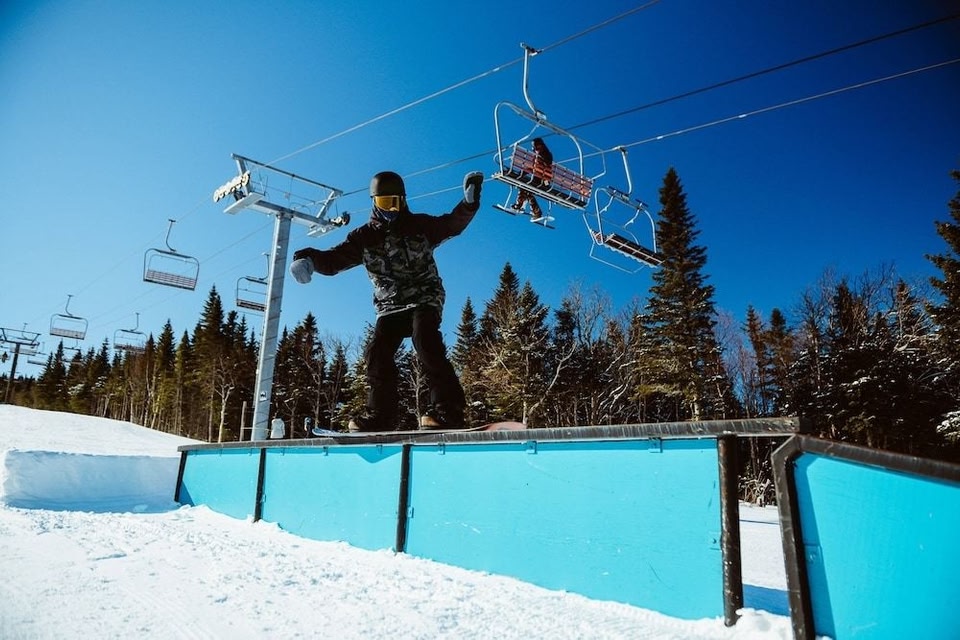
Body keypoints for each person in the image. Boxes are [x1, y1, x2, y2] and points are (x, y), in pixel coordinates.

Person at [289, 170, 484, 432]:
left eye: (395, 202)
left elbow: (451, 225)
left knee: (425, 340)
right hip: (390, 307)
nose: (391, 210)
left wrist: (468, 204)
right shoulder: (364, 237)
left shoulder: (420, 226)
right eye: (384, 203)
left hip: (424, 298)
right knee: (377, 352)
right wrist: (307, 260)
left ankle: (448, 410)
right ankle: (380, 415)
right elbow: (334, 260)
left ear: (403, 200)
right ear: (374, 202)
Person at [511, 137, 552, 220]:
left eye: (535, 147)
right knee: (527, 190)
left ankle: (520, 205)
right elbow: (533, 168)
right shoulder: (546, 155)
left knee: (525, 187)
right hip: (545, 181)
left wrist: (522, 173)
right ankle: (533, 210)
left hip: (541, 181)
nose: (534, 149)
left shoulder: (540, 156)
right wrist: (522, 173)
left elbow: (534, 168)